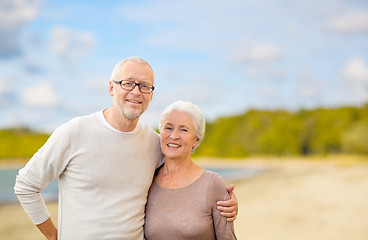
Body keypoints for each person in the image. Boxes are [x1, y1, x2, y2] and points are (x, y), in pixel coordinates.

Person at [14, 57, 238, 240]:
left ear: (151, 94)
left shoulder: (154, 142)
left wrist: (222, 202)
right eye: (128, 83)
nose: (136, 91)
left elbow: (181, 177)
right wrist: (54, 236)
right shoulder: (74, 132)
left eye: (144, 86)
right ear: (112, 88)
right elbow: (26, 186)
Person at [144, 100, 237, 239]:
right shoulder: (147, 180)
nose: (174, 135)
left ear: (196, 140)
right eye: (168, 128)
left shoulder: (212, 183)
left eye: (184, 130)